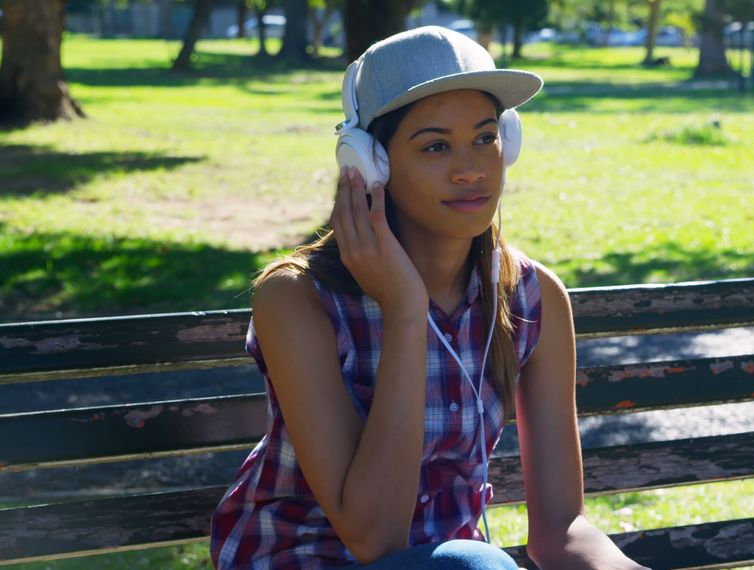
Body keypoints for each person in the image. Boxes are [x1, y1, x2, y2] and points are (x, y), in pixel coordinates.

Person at [210, 26, 648, 570]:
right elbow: (373, 538)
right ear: (371, 163)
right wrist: (405, 312)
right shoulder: (297, 299)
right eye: (436, 146)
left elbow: (560, 528)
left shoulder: (533, 297)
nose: (472, 168)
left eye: (486, 138)